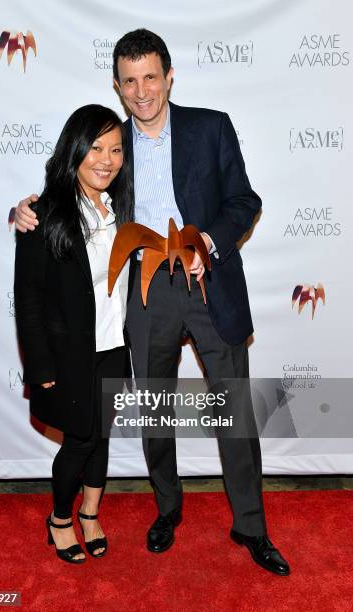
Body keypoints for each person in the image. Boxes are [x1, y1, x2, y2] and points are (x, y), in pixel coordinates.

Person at [14, 29, 290, 576]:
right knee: (155, 410)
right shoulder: (113, 147)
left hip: (208, 281)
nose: (142, 91)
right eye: (129, 81)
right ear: (117, 86)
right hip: (142, 292)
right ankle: (167, 509)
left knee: (233, 412)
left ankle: (252, 527)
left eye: (150, 77)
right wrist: (26, 209)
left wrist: (205, 243)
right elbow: (71, 188)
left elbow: (244, 201)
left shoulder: (212, 127)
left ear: (168, 76)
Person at [14, 104, 133, 564]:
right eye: (96, 148)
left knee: (100, 435)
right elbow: (29, 298)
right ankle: (60, 518)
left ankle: (90, 513)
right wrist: (40, 366)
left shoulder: (124, 207)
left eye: (116, 148)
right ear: (75, 151)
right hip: (69, 356)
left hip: (114, 349)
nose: (106, 159)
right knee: (80, 440)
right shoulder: (44, 215)